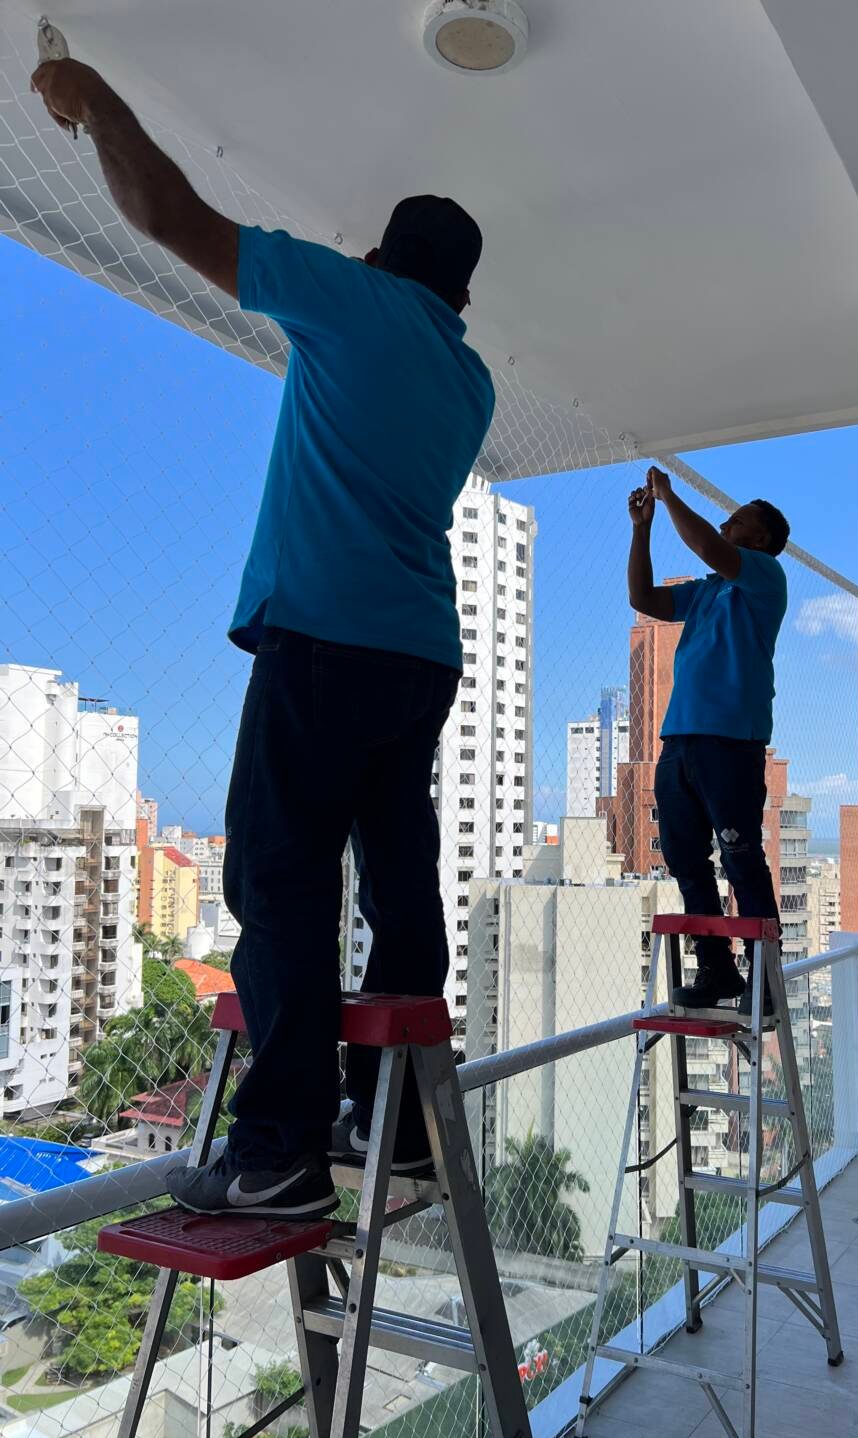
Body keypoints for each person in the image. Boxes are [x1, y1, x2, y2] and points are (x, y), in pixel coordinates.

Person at [33, 58, 495, 1218]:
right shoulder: (470, 376)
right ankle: (389, 1123)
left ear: (384, 262)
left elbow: (167, 215)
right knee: (395, 876)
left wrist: (92, 98)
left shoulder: (350, 300)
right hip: (418, 653)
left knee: (280, 878)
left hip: (326, 639)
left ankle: (281, 1146)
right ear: (463, 295)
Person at [627, 467, 790, 1011]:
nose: (726, 522)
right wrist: (641, 529)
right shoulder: (706, 592)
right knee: (684, 857)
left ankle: (765, 979)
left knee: (741, 858)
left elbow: (705, 546)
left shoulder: (765, 576)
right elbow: (645, 597)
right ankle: (717, 970)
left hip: (731, 743)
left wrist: (670, 496)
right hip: (678, 743)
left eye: (737, 520)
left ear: (762, 539)